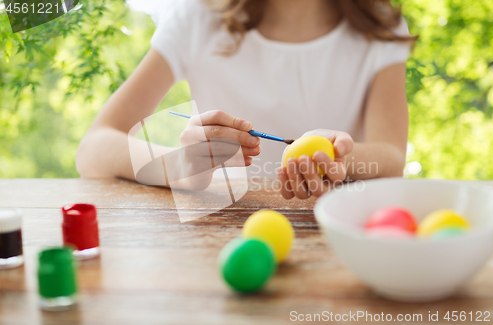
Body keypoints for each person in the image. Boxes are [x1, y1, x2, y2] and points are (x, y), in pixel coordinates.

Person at [76, 0, 416, 199]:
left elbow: (391, 158)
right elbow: (93, 149)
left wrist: (340, 156)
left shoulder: (380, 27)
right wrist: (183, 165)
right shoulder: (198, 17)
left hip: (340, 236)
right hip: (222, 237)